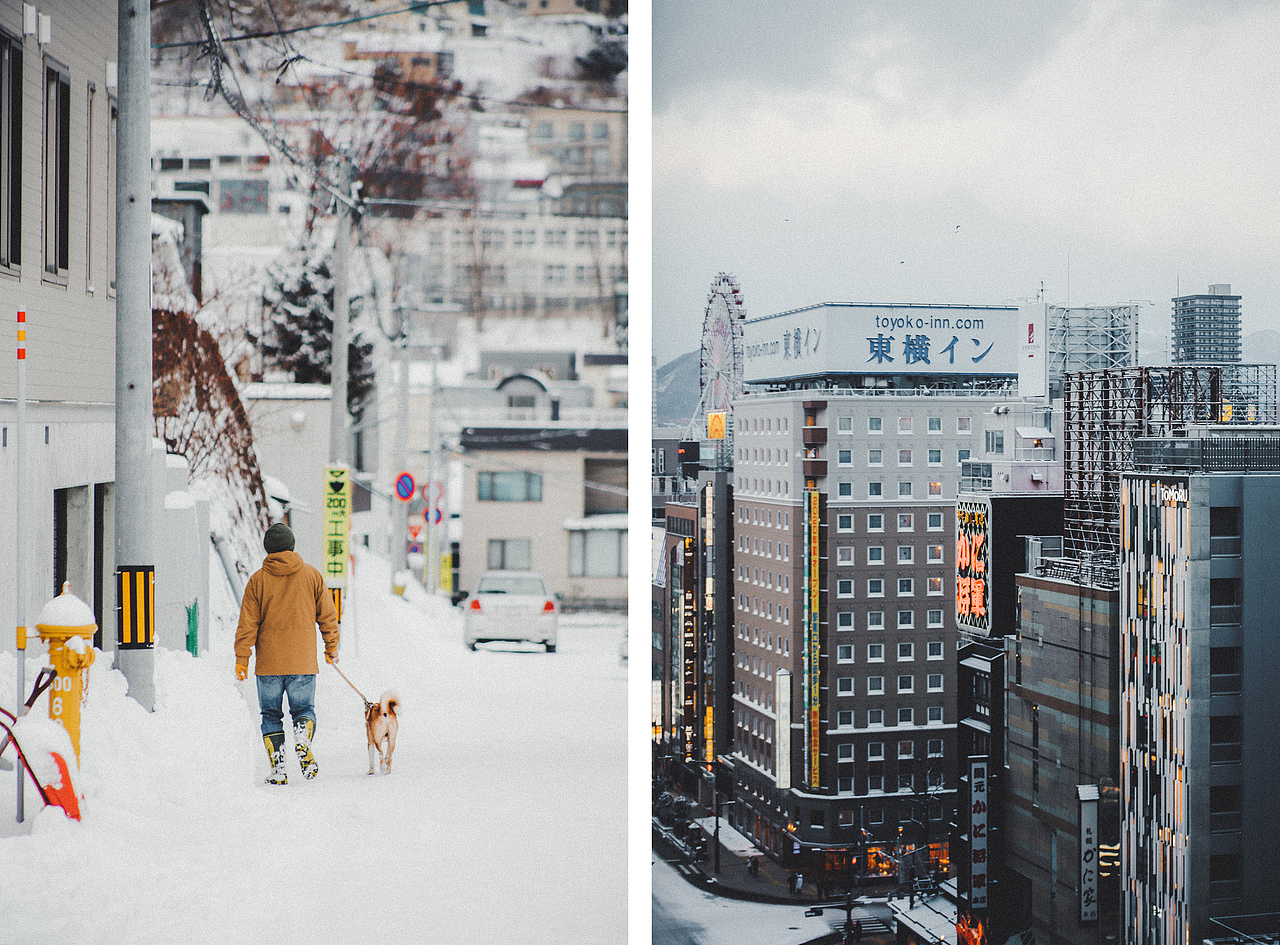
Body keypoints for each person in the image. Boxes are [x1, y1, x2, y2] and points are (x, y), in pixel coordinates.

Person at [235, 523, 340, 784]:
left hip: (268, 666)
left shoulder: (257, 581)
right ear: (292, 545)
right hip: (303, 663)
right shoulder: (312, 576)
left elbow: (247, 624)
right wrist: (331, 647)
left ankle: (279, 769)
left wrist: (242, 659)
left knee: (271, 715)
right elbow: (328, 616)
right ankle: (302, 740)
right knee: (303, 709)